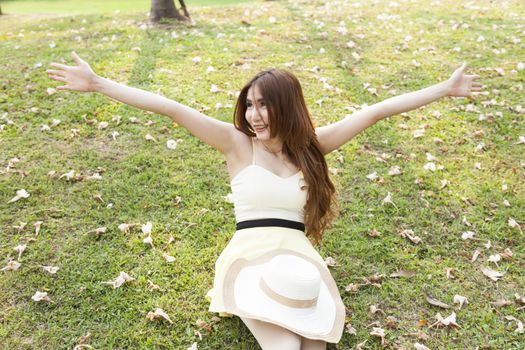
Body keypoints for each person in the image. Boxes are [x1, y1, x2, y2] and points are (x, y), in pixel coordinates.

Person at [47, 52, 481, 349]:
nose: (254, 114)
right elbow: (171, 108)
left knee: (315, 343)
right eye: (250, 104)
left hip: (299, 264)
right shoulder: (238, 146)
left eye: (264, 105)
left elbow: (375, 112)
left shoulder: (312, 148)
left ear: (286, 107)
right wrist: (98, 83)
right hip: (252, 258)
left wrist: (444, 88)